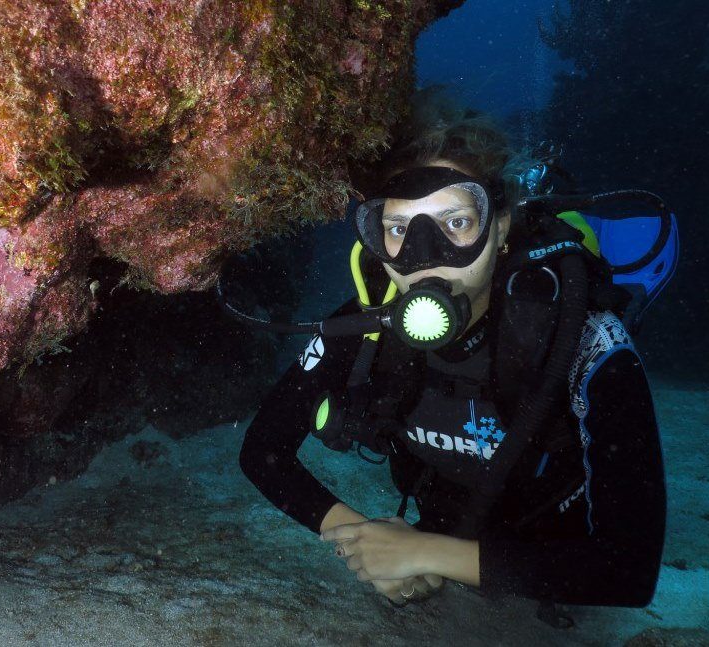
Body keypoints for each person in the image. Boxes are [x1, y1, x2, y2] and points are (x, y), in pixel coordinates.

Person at [237, 89, 667, 616]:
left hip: (552, 546)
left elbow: (629, 570)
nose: (424, 260)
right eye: (398, 230)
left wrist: (425, 553)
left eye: (456, 223)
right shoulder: (368, 321)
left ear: (501, 227)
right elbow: (262, 451)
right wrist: (366, 544)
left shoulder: (584, 339)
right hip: (442, 518)